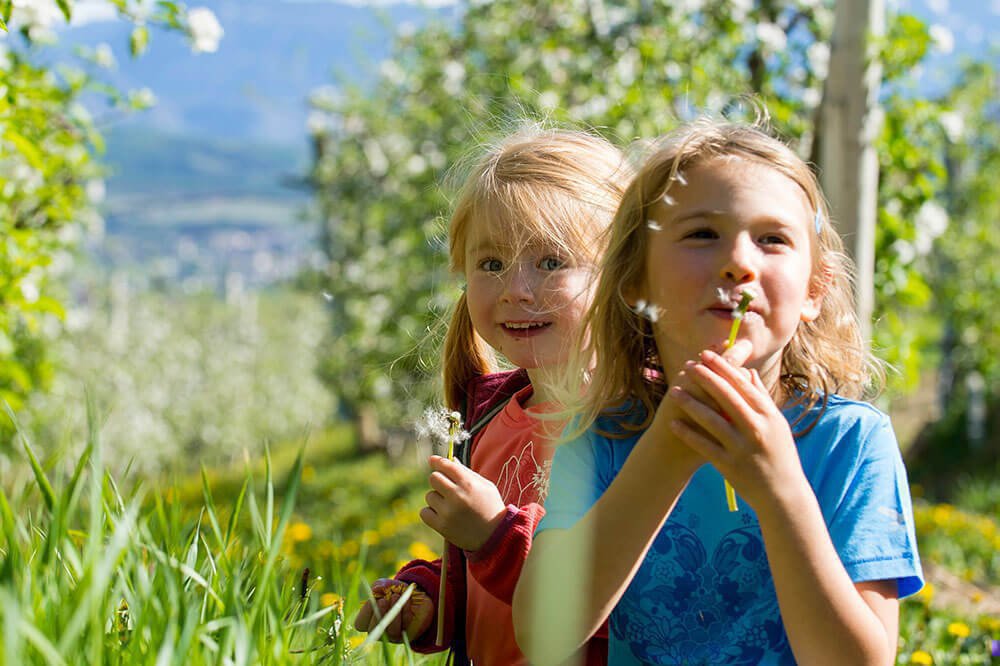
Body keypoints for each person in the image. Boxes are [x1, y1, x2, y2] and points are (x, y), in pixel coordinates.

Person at [513, 119, 924, 665]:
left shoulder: (850, 442)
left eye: (772, 239)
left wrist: (781, 490)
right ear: (636, 279)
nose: (739, 262)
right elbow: (543, 633)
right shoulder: (602, 435)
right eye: (702, 234)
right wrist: (666, 452)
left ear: (814, 289)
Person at [353, 125, 633, 666]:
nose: (515, 289)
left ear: (624, 273)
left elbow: (628, 601)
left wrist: (494, 539)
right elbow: (479, 584)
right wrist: (430, 599)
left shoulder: (632, 425)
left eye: (551, 262)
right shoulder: (483, 422)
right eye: (491, 264)